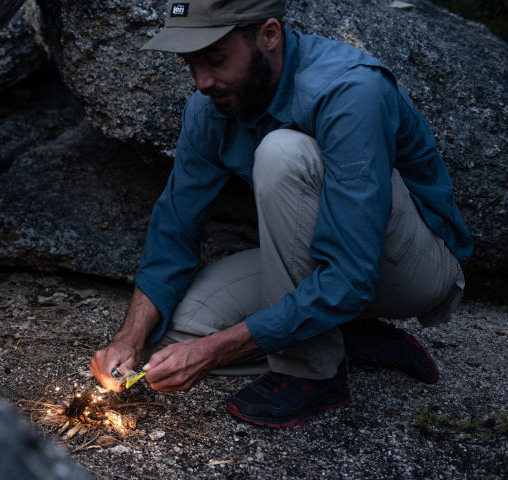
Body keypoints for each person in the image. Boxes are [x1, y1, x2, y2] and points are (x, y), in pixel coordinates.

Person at [90, 0, 472, 428]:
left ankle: (312, 374)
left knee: (282, 153)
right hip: (328, 260)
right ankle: (345, 335)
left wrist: (217, 351)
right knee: (176, 337)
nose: (201, 82)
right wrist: (129, 337)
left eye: (215, 59)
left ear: (269, 35)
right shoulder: (211, 106)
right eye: (190, 64)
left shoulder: (349, 91)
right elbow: (174, 228)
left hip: (411, 268)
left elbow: (353, 272)